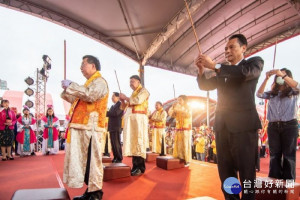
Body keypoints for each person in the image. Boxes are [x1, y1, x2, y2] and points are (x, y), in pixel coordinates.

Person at [196, 34, 264, 199]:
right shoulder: (222, 70)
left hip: (244, 127)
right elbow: (205, 85)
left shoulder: (253, 63)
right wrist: (201, 69)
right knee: (226, 171)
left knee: (247, 172)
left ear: (243, 48)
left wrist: (214, 65)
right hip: (222, 126)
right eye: (225, 48)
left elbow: (242, 73)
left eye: (231, 47)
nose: (227, 51)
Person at [61, 55, 108, 200]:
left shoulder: (100, 82)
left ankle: (95, 193)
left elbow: (89, 95)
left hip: (92, 127)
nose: (81, 68)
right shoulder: (88, 83)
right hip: (84, 127)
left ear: (93, 66)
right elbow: (76, 99)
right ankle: (90, 191)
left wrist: (72, 86)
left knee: (92, 161)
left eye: (83, 64)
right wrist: (67, 89)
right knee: (85, 161)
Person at [256, 68, 299, 180]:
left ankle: (289, 185)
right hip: (273, 126)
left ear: (288, 77)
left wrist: (283, 76)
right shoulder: (271, 94)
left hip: (290, 125)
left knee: (289, 156)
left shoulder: (293, 91)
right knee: (274, 155)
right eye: (279, 76)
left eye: (283, 76)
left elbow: (298, 86)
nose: (281, 78)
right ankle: (274, 182)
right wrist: (266, 78)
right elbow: (259, 94)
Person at [120, 75, 150, 176]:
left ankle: (140, 167)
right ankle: (135, 166)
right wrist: (122, 101)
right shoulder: (133, 93)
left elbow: (138, 101)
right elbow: (125, 108)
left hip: (139, 120)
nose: (131, 83)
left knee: (139, 141)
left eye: (132, 81)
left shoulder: (144, 91)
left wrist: (126, 98)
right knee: (133, 142)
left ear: (138, 82)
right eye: (130, 82)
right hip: (132, 121)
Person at [168, 95, 192, 166]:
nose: (178, 101)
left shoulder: (188, 107)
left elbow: (187, 114)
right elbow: (171, 114)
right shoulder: (177, 107)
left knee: (185, 143)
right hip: (178, 128)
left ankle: (187, 160)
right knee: (178, 144)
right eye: (178, 100)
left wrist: (177, 108)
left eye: (180, 100)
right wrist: (172, 107)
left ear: (184, 100)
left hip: (186, 128)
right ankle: (180, 157)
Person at [106, 92, 123, 163]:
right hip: (112, 127)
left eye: (113, 96)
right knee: (113, 143)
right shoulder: (113, 106)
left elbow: (115, 113)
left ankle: (119, 158)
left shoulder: (120, 104)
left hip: (116, 126)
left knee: (116, 143)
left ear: (118, 98)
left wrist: (104, 112)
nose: (112, 98)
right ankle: (115, 157)